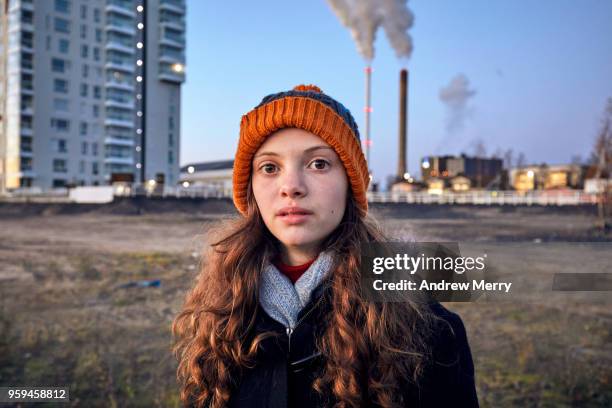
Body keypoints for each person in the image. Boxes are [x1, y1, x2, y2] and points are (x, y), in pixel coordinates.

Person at [172, 85, 478, 407]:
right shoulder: (217, 318)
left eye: (318, 164)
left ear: (351, 182)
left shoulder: (430, 332)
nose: (291, 187)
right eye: (269, 168)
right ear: (251, 189)